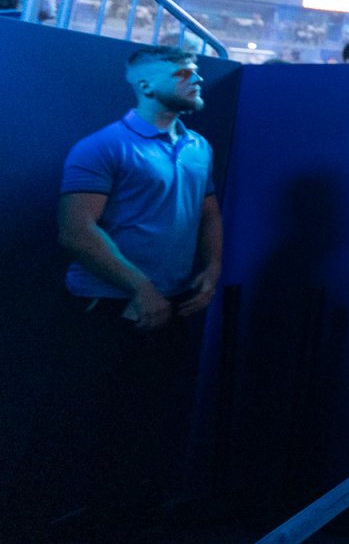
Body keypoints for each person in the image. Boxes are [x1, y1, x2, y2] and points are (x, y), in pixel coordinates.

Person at [54, 45, 222, 539]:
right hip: (105, 311)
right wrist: (140, 288)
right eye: (183, 72)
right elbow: (76, 232)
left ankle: (136, 524)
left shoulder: (198, 146)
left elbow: (209, 213)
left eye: (196, 72)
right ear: (145, 85)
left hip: (170, 307)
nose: (195, 79)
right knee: (101, 431)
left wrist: (212, 269)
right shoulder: (102, 146)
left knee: (151, 428)